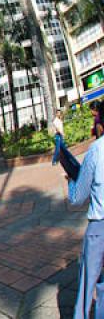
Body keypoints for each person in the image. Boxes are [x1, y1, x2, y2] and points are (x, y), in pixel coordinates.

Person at [67, 132, 104, 317]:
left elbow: (77, 197)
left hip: (99, 227)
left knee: (87, 285)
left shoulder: (97, 149)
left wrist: (71, 181)